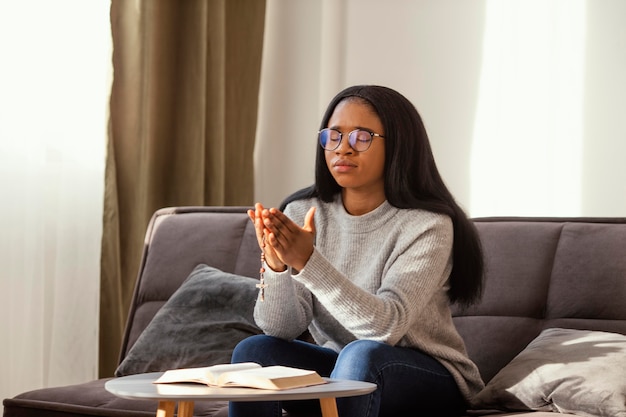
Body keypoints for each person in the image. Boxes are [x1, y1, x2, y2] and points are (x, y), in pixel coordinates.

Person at [229, 85, 485, 417]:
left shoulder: (427, 224)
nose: (342, 149)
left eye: (361, 138)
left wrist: (307, 262)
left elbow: (385, 328)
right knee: (255, 352)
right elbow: (282, 328)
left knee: (361, 356)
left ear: (398, 146)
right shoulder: (304, 210)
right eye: (333, 136)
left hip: (426, 375)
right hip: (344, 369)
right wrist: (278, 268)